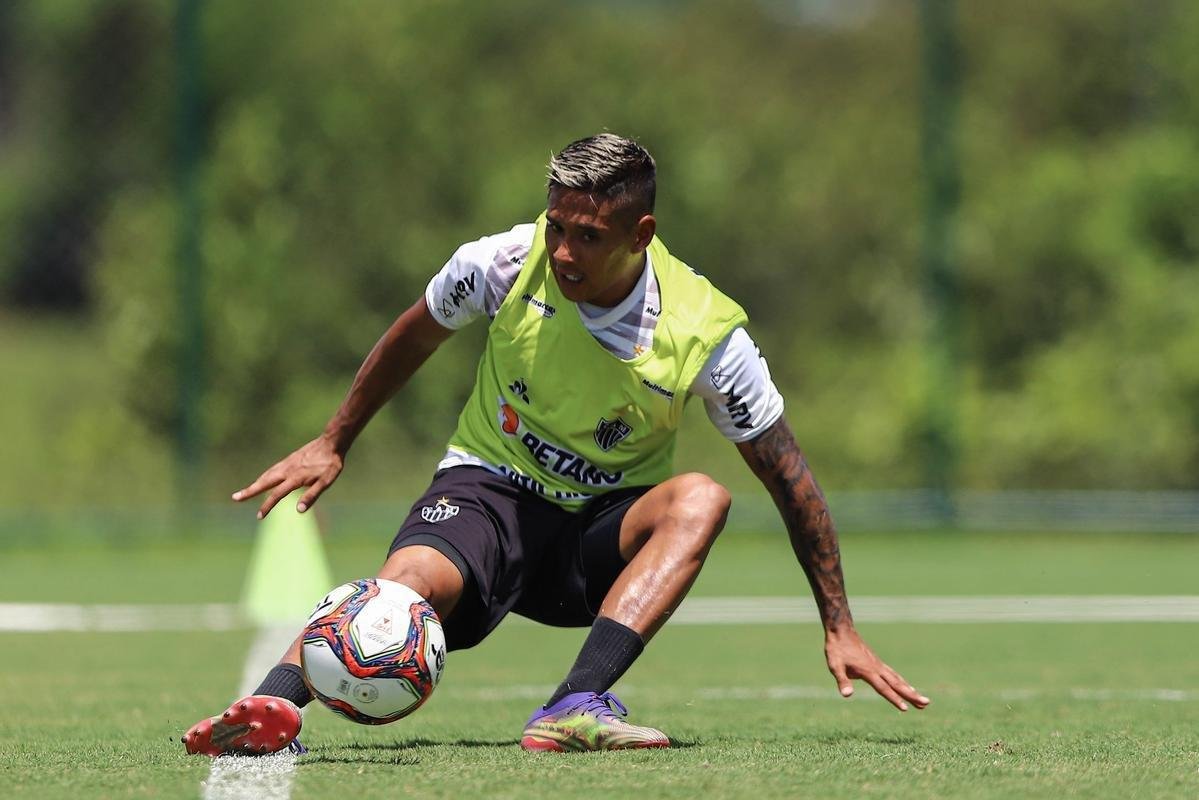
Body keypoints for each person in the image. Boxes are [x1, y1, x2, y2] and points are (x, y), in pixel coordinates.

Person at [182, 133, 929, 757]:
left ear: (640, 235)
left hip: (597, 535)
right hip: (489, 494)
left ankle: (575, 704)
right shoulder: (502, 263)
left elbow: (789, 476)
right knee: (405, 581)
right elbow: (415, 333)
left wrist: (839, 623)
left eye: (588, 236)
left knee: (703, 498)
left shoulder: (705, 333)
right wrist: (333, 439)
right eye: (557, 227)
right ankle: (267, 709)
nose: (564, 252)